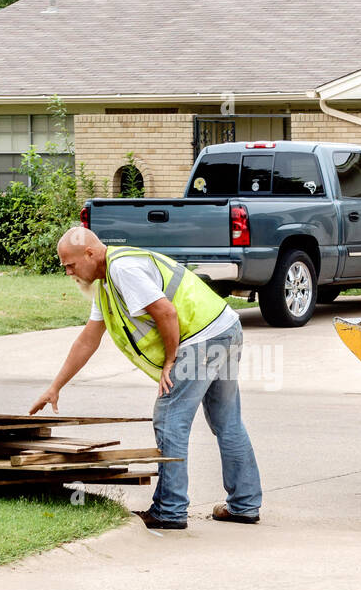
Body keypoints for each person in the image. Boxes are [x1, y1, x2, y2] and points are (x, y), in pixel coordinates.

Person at [30, 226, 263, 530]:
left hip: (200, 339)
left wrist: (170, 360)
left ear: (89, 253)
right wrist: (55, 386)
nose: (68, 273)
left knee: (169, 419)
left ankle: (170, 510)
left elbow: (165, 312)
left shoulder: (122, 269)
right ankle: (244, 505)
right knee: (227, 420)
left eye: (70, 265)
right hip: (223, 328)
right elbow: (88, 338)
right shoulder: (105, 282)